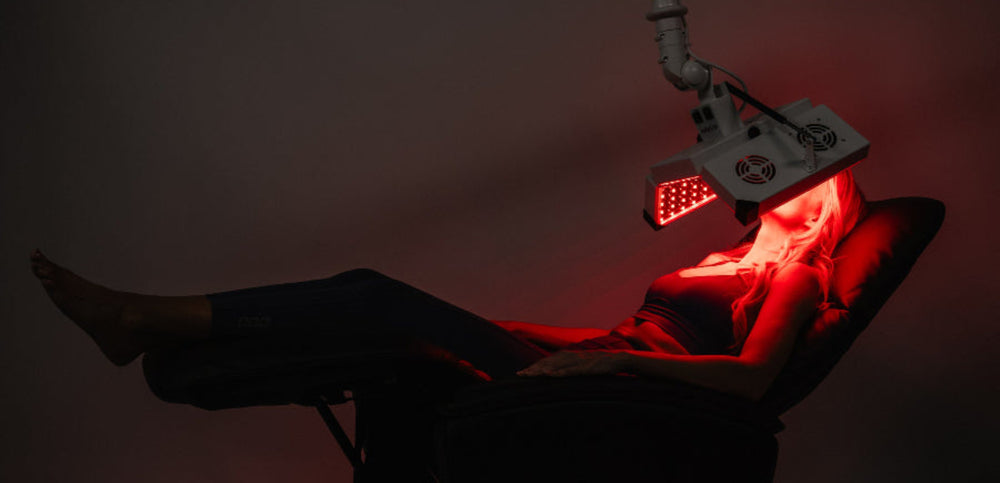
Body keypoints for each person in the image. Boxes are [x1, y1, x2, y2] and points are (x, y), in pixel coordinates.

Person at [30, 170, 865, 402]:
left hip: (612, 396)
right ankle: (164, 350)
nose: (762, 178)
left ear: (824, 193)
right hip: (579, 367)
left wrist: (618, 370)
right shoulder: (732, 260)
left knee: (369, 295)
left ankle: (139, 316)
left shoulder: (797, 275)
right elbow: (623, 336)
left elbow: (753, 380)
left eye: (790, 169)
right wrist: (514, 330)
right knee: (386, 320)